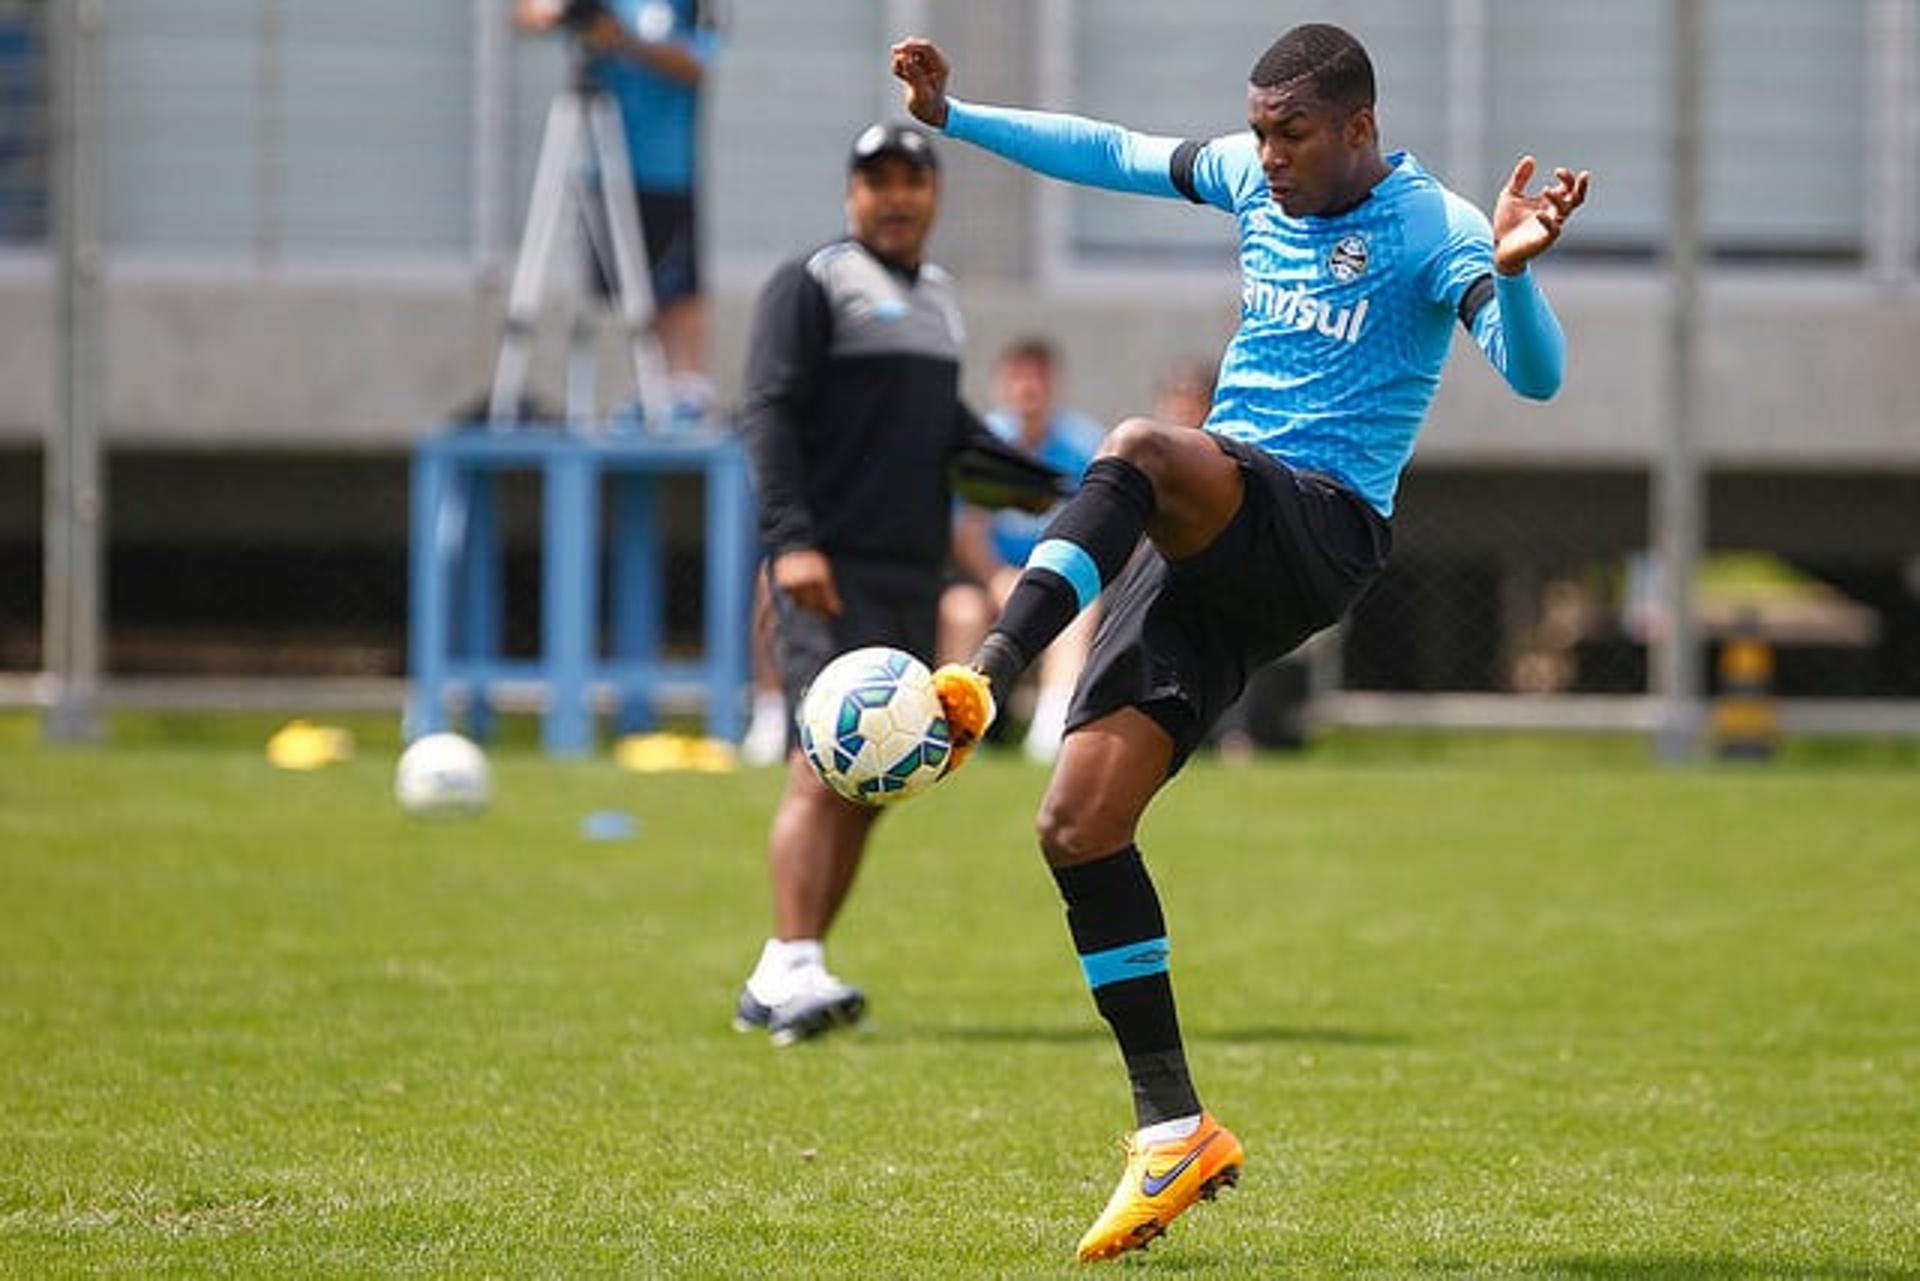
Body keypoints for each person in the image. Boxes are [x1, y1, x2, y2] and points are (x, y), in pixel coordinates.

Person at [895, 25, 1588, 1261]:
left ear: (1360, 130)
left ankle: (984, 676)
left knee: (1141, 447)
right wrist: (957, 116)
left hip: (1317, 524)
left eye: (1292, 134)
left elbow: (1535, 380)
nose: (1265, 157)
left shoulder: (1435, 230)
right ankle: (1174, 1131)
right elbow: (1109, 151)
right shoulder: (1251, 178)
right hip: (1210, 541)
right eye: (1259, 131)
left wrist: (1519, 273)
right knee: (1075, 827)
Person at [731, 122, 1012, 1046]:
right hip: (831, 568)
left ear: (934, 193)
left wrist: (1066, 482)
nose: (894, 196)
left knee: (875, 775)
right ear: (850, 194)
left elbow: (943, 427)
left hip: (909, 572)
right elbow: (767, 411)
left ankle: (791, 965)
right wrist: (791, 542)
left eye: (911, 179)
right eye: (875, 180)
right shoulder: (811, 283)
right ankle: (789, 961)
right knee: (823, 761)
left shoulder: (938, 298)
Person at [514, 0, 721, 420]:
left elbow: (697, 65)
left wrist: (624, 42)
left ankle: (684, 392)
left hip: (667, 166)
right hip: (604, 165)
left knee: (675, 283)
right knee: (618, 289)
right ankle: (639, 391)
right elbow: (530, 13)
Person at [941, 337, 1105, 763]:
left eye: (1037, 378)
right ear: (1002, 384)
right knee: (960, 609)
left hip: (1058, 579)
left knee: (1080, 611)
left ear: (1054, 384)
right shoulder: (984, 443)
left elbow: (1096, 527)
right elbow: (968, 528)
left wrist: (1042, 583)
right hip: (989, 579)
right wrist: (997, 578)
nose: (1028, 389)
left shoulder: (1084, 447)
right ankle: (953, 730)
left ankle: (1050, 729)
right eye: (1018, 378)